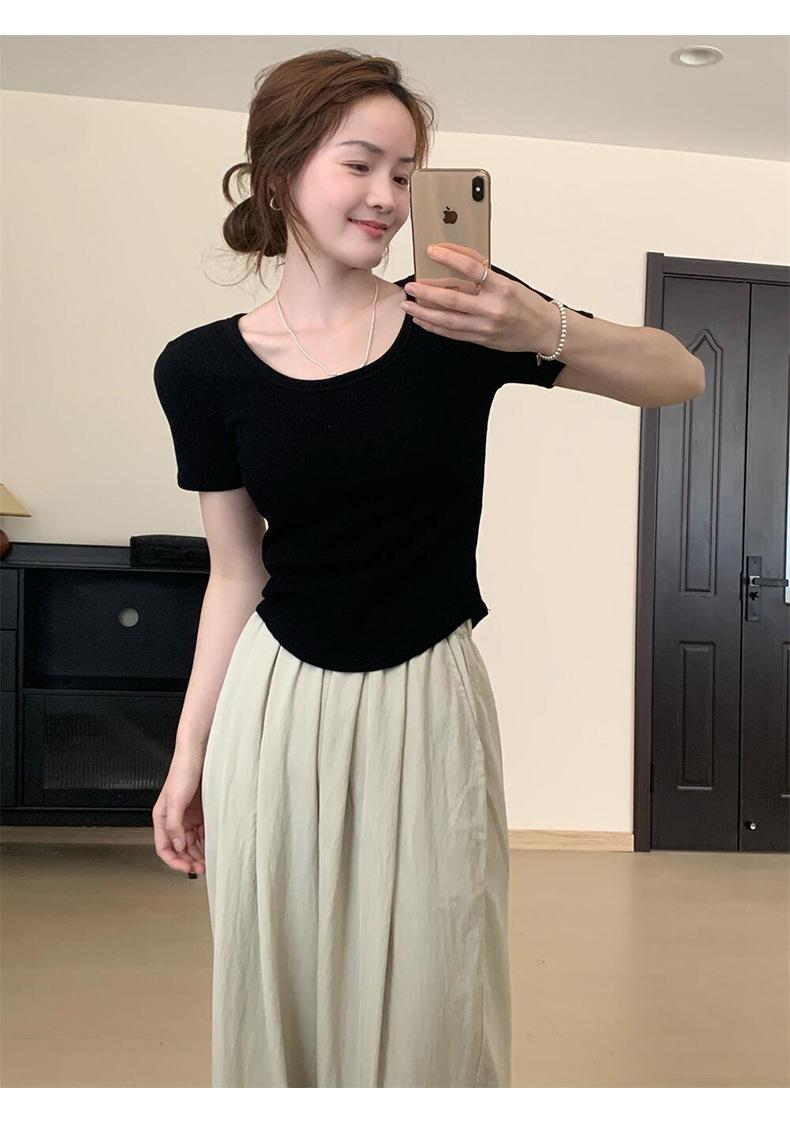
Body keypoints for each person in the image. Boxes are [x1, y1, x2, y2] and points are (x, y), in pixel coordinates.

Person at [151, 47, 593, 1089]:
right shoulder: (200, 368)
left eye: (404, 173)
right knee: (281, 978)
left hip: (430, 693)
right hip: (276, 703)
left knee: (440, 988)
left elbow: (677, 374)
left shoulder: (460, 320)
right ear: (278, 171)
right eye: (360, 165)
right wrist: (188, 755)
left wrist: (541, 325)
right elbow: (235, 572)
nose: (388, 197)